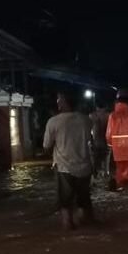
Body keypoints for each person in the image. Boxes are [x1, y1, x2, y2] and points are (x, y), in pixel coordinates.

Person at [42, 91, 95, 230]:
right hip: (84, 166)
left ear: (63, 102)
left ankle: (68, 224)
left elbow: (46, 146)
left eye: (59, 99)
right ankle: (86, 222)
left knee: (65, 200)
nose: (57, 102)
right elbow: (92, 142)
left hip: (63, 167)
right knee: (84, 198)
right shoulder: (86, 120)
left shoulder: (53, 122)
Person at [89, 102, 111, 178]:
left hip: (96, 141)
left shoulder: (92, 116)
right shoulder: (109, 116)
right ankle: (106, 173)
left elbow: (90, 130)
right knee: (106, 159)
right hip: (106, 141)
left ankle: (95, 174)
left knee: (95, 159)